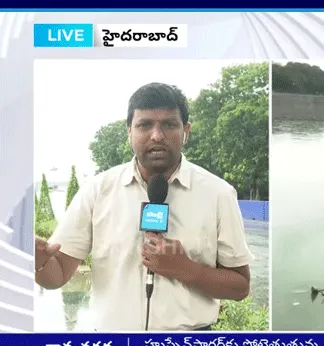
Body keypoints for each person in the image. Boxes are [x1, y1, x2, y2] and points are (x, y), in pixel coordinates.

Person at [35, 82, 254, 331]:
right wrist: (39, 263)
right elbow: (57, 275)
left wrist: (189, 270)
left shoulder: (218, 194)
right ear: (129, 131)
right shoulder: (97, 191)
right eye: (144, 124)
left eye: (169, 124)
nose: (157, 135)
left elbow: (240, 287)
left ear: (186, 131)